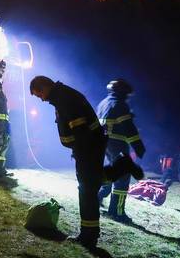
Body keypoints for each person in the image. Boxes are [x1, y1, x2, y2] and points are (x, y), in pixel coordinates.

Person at [30, 76, 143, 248]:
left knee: (87, 191)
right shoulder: (63, 95)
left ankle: (88, 237)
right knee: (93, 182)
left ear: (44, 87)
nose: (42, 99)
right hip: (91, 145)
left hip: (88, 147)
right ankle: (122, 166)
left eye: (40, 95)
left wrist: (80, 151)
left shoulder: (63, 98)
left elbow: (80, 127)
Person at [97, 79, 146, 224]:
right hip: (117, 144)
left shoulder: (104, 103)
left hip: (103, 143)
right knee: (122, 177)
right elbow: (128, 128)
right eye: (127, 95)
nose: (127, 97)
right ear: (123, 92)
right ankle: (116, 212)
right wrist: (138, 146)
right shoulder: (119, 104)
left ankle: (97, 198)